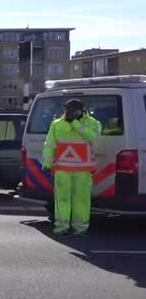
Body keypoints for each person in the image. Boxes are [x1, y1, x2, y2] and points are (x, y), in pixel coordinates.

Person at [42, 99, 102, 235]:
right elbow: (50, 145)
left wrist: (75, 122)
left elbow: (93, 137)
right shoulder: (56, 124)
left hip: (84, 170)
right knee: (62, 199)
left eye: (70, 109)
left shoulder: (93, 123)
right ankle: (61, 227)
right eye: (66, 109)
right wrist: (47, 163)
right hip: (63, 169)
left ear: (79, 110)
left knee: (81, 201)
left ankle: (80, 229)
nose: (67, 111)